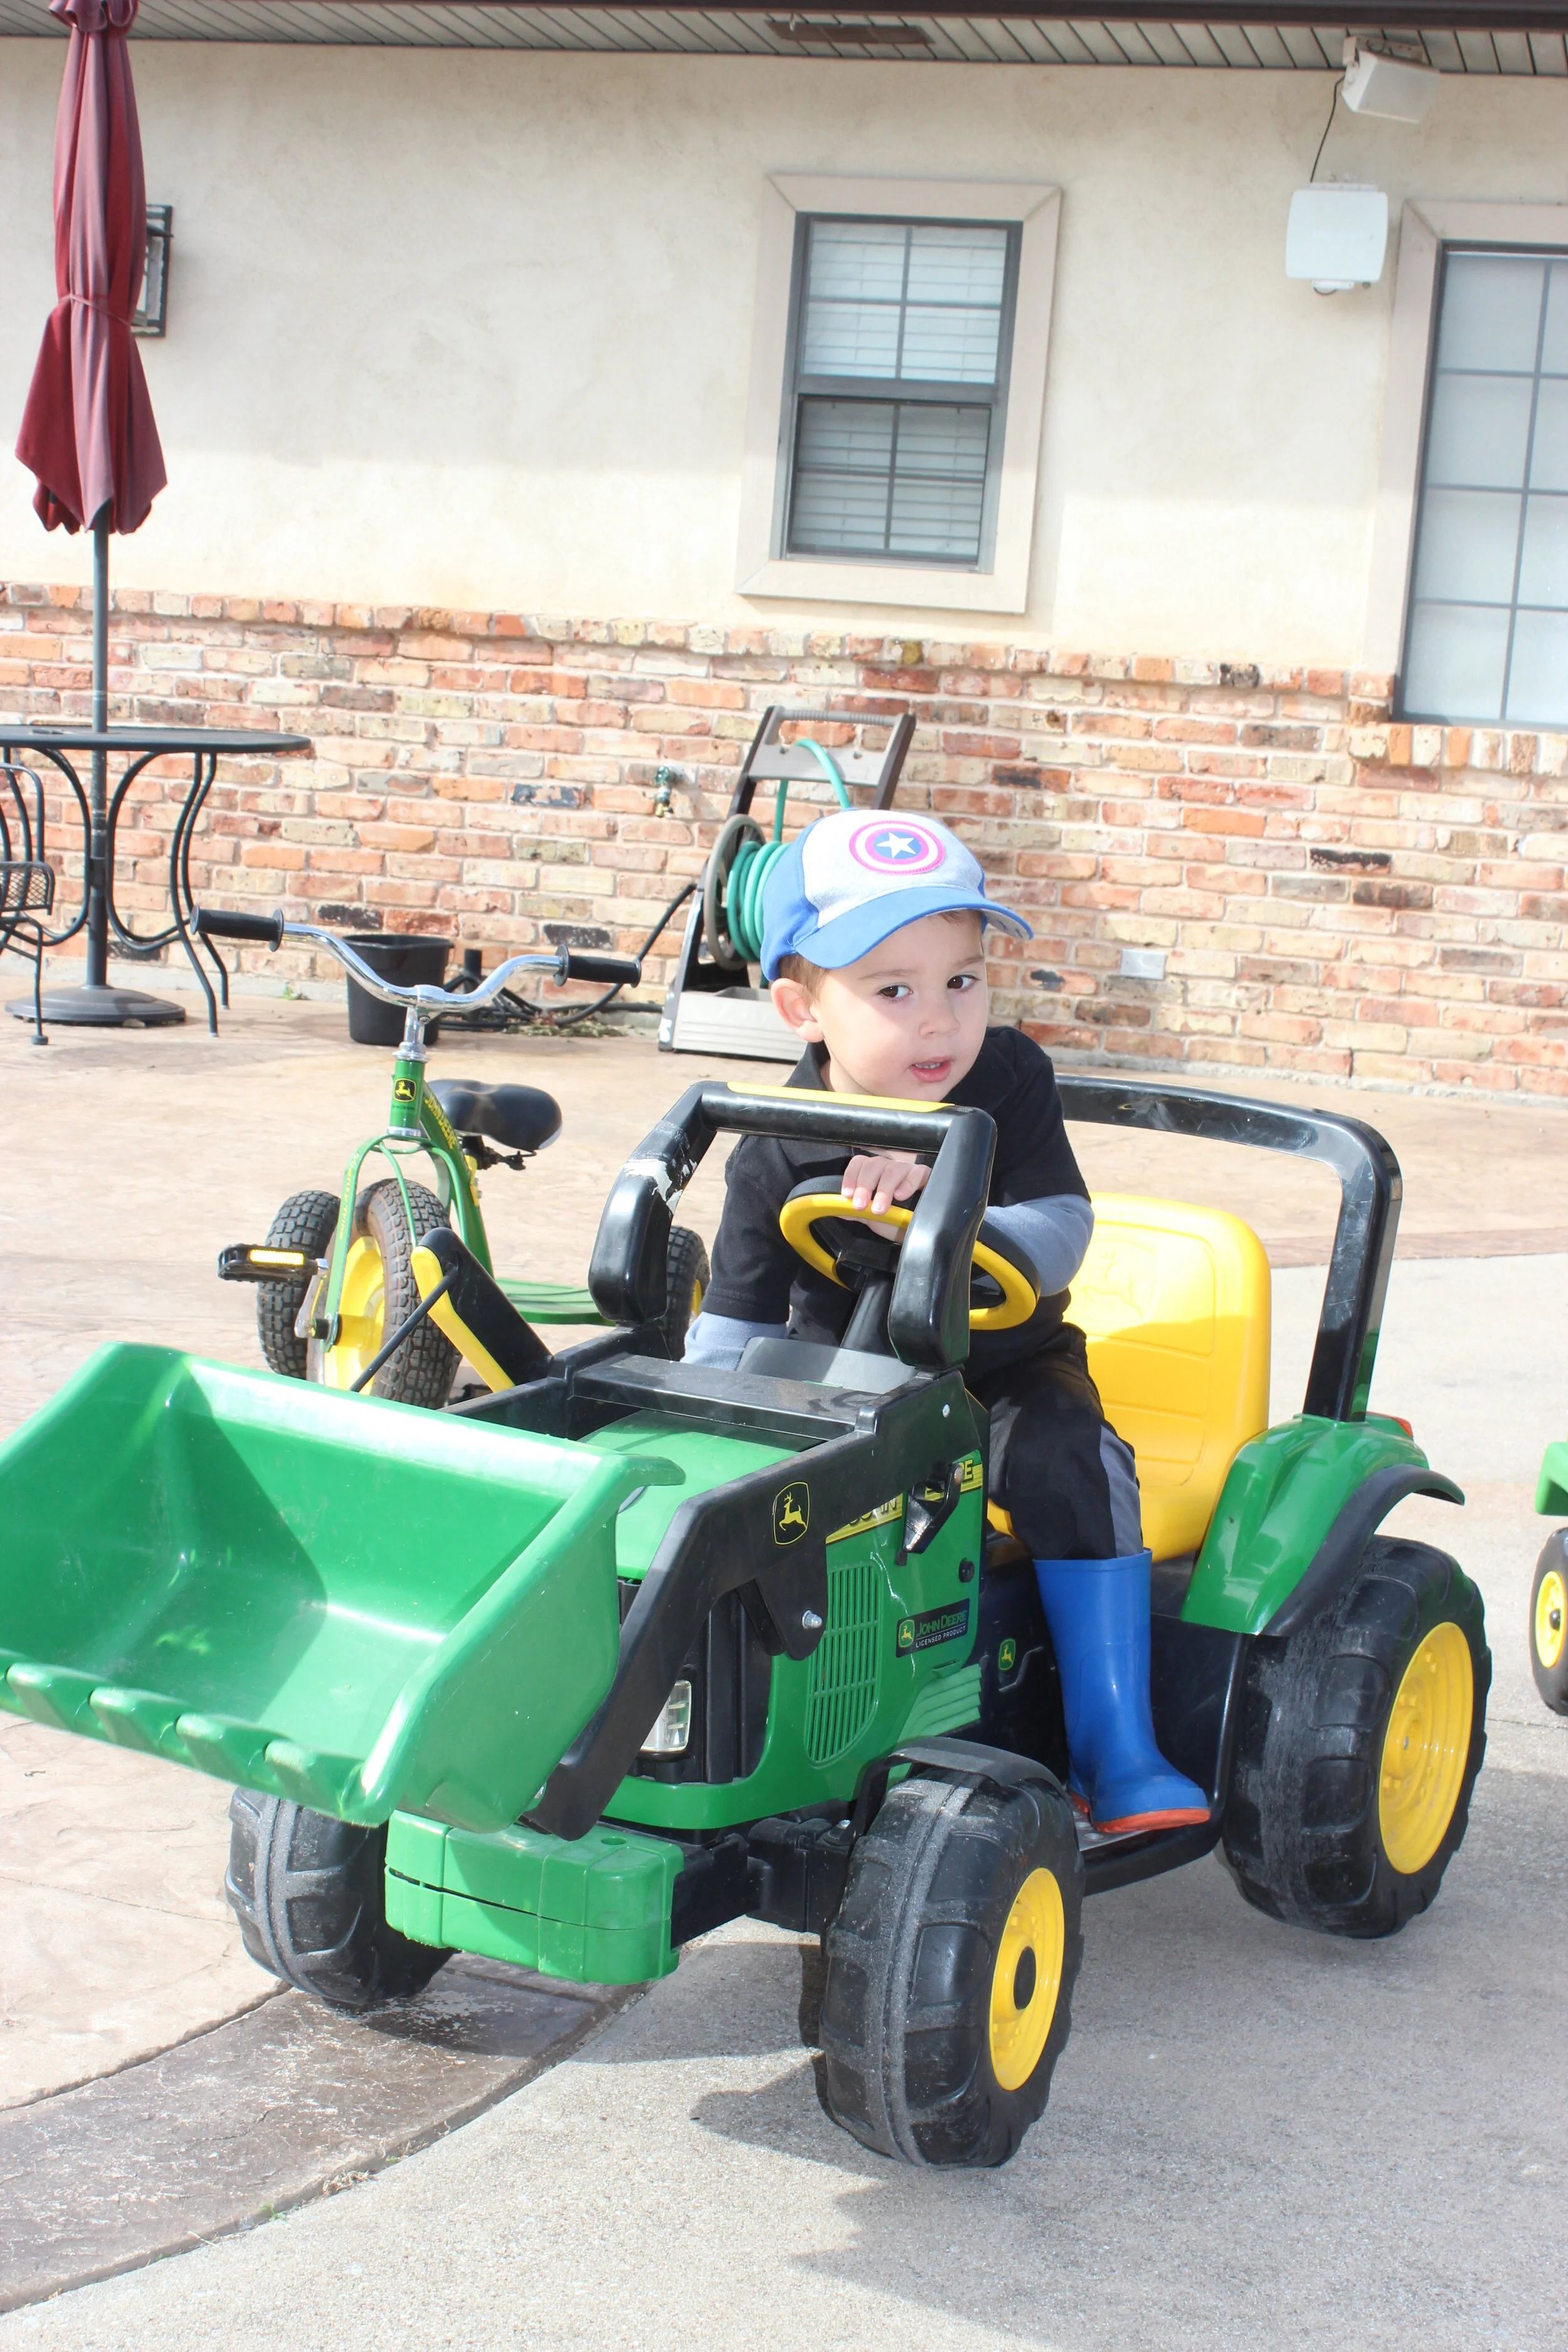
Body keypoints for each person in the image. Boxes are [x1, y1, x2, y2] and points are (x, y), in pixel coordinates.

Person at [682, 806, 1207, 1835]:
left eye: (961, 980)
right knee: (746, 1495)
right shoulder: (773, 1146)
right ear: (802, 1007)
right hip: (843, 1391)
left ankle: (1117, 1745)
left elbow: (1063, 1230)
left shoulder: (1009, 1081)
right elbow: (728, 1332)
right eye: (894, 990)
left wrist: (948, 1213)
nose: (940, 1021)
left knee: (1073, 1455)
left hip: (1001, 1374)